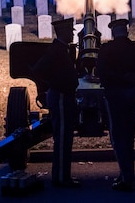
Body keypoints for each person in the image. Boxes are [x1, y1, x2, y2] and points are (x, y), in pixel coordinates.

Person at [31, 18, 81, 188]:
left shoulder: (62, 50)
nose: (72, 35)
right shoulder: (56, 50)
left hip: (63, 95)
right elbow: (38, 70)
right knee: (62, 139)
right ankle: (60, 178)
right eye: (70, 32)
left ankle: (63, 176)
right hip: (60, 96)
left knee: (65, 139)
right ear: (64, 33)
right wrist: (54, 84)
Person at [96, 19, 135, 192]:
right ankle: (127, 174)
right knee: (127, 135)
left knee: (118, 135)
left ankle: (126, 177)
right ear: (127, 31)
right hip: (131, 93)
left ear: (114, 32)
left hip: (115, 94)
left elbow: (100, 72)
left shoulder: (107, 50)